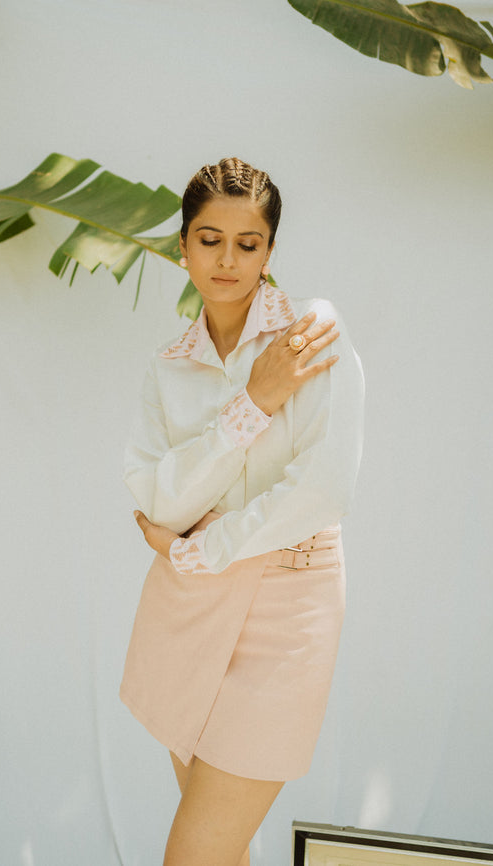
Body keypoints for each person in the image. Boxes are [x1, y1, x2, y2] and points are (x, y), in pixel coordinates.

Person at [120, 157, 365, 866]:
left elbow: (323, 491)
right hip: (186, 612)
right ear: (182, 246)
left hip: (288, 608)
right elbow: (159, 498)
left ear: (270, 250)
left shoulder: (313, 335)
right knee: (224, 852)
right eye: (208, 239)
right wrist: (253, 402)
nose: (227, 259)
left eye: (248, 243)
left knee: (194, 854)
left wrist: (200, 547)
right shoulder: (167, 367)